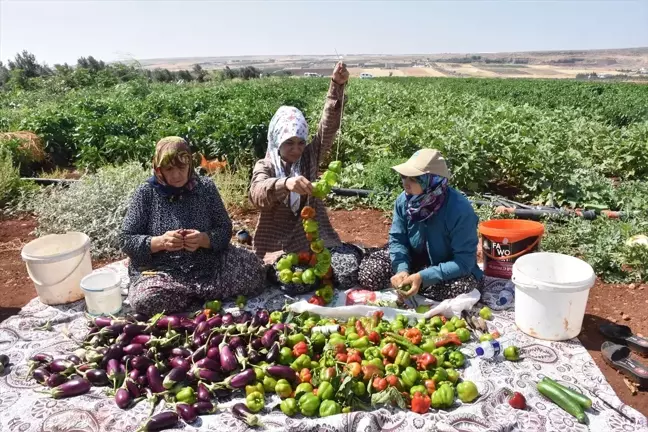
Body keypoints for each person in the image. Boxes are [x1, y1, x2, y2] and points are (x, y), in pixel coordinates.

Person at [121, 136, 265, 316]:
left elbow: (224, 228)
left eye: (181, 167)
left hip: (208, 266)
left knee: (255, 271)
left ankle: (187, 297)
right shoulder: (146, 193)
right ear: (159, 169)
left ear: (190, 163)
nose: (176, 175)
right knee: (145, 300)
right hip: (163, 272)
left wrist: (204, 240)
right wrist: (160, 242)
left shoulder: (205, 187)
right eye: (169, 169)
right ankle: (200, 295)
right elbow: (126, 239)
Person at [249, 62, 361, 289]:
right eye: (289, 143)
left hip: (316, 242)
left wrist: (337, 86)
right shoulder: (266, 165)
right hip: (277, 248)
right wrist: (285, 183)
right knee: (294, 283)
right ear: (277, 142)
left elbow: (327, 129)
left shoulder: (308, 158)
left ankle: (344, 255)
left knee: (347, 273)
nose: (296, 149)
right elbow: (257, 193)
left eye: (300, 142)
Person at [358, 149, 483, 301]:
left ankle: (418, 283)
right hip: (413, 261)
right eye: (404, 176)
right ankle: (412, 281)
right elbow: (397, 239)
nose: (405, 183)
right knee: (369, 274)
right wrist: (401, 268)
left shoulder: (460, 210)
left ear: (432, 180)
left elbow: (464, 262)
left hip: (446, 267)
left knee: (460, 287)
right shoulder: (404, 201)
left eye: (414, 179)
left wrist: (424, 277)